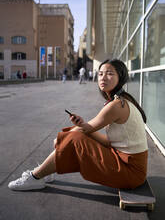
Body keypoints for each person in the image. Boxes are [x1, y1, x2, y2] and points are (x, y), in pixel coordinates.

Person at [8, 59, 148, 191]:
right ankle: (44, 172)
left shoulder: (116, 105)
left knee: (73, 137)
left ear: (121, 77)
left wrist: (66, 138)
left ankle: (35, 176)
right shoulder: (122, 100)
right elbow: (109, 141)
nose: (103, 77)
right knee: (72, 134)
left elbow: (86, 131)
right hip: (125, 163)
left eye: (110, 73)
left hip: (130, 173)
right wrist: (77, 130)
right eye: (100, 74)